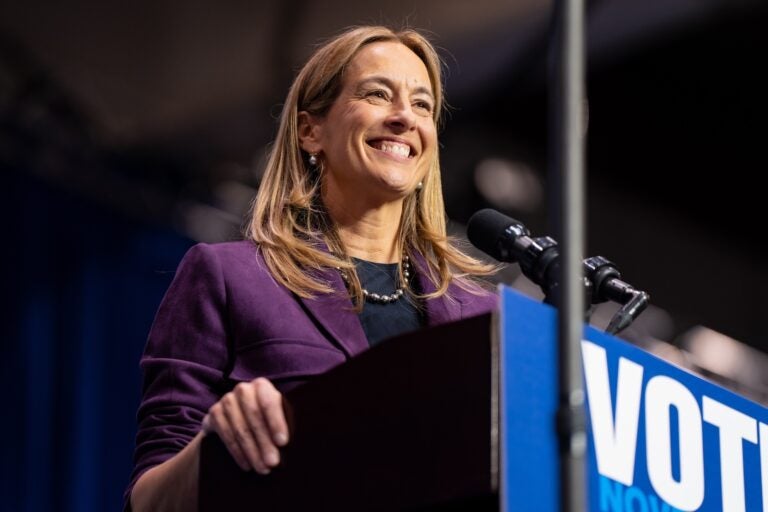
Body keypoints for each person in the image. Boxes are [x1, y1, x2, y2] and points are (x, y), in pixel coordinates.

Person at [126, 25, 498, 512]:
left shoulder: (484, 318)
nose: (405, 117)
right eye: (377, 94)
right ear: (310, 131)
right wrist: (212, 447)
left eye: (423, 105)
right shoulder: (230, 277)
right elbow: (146, 502)